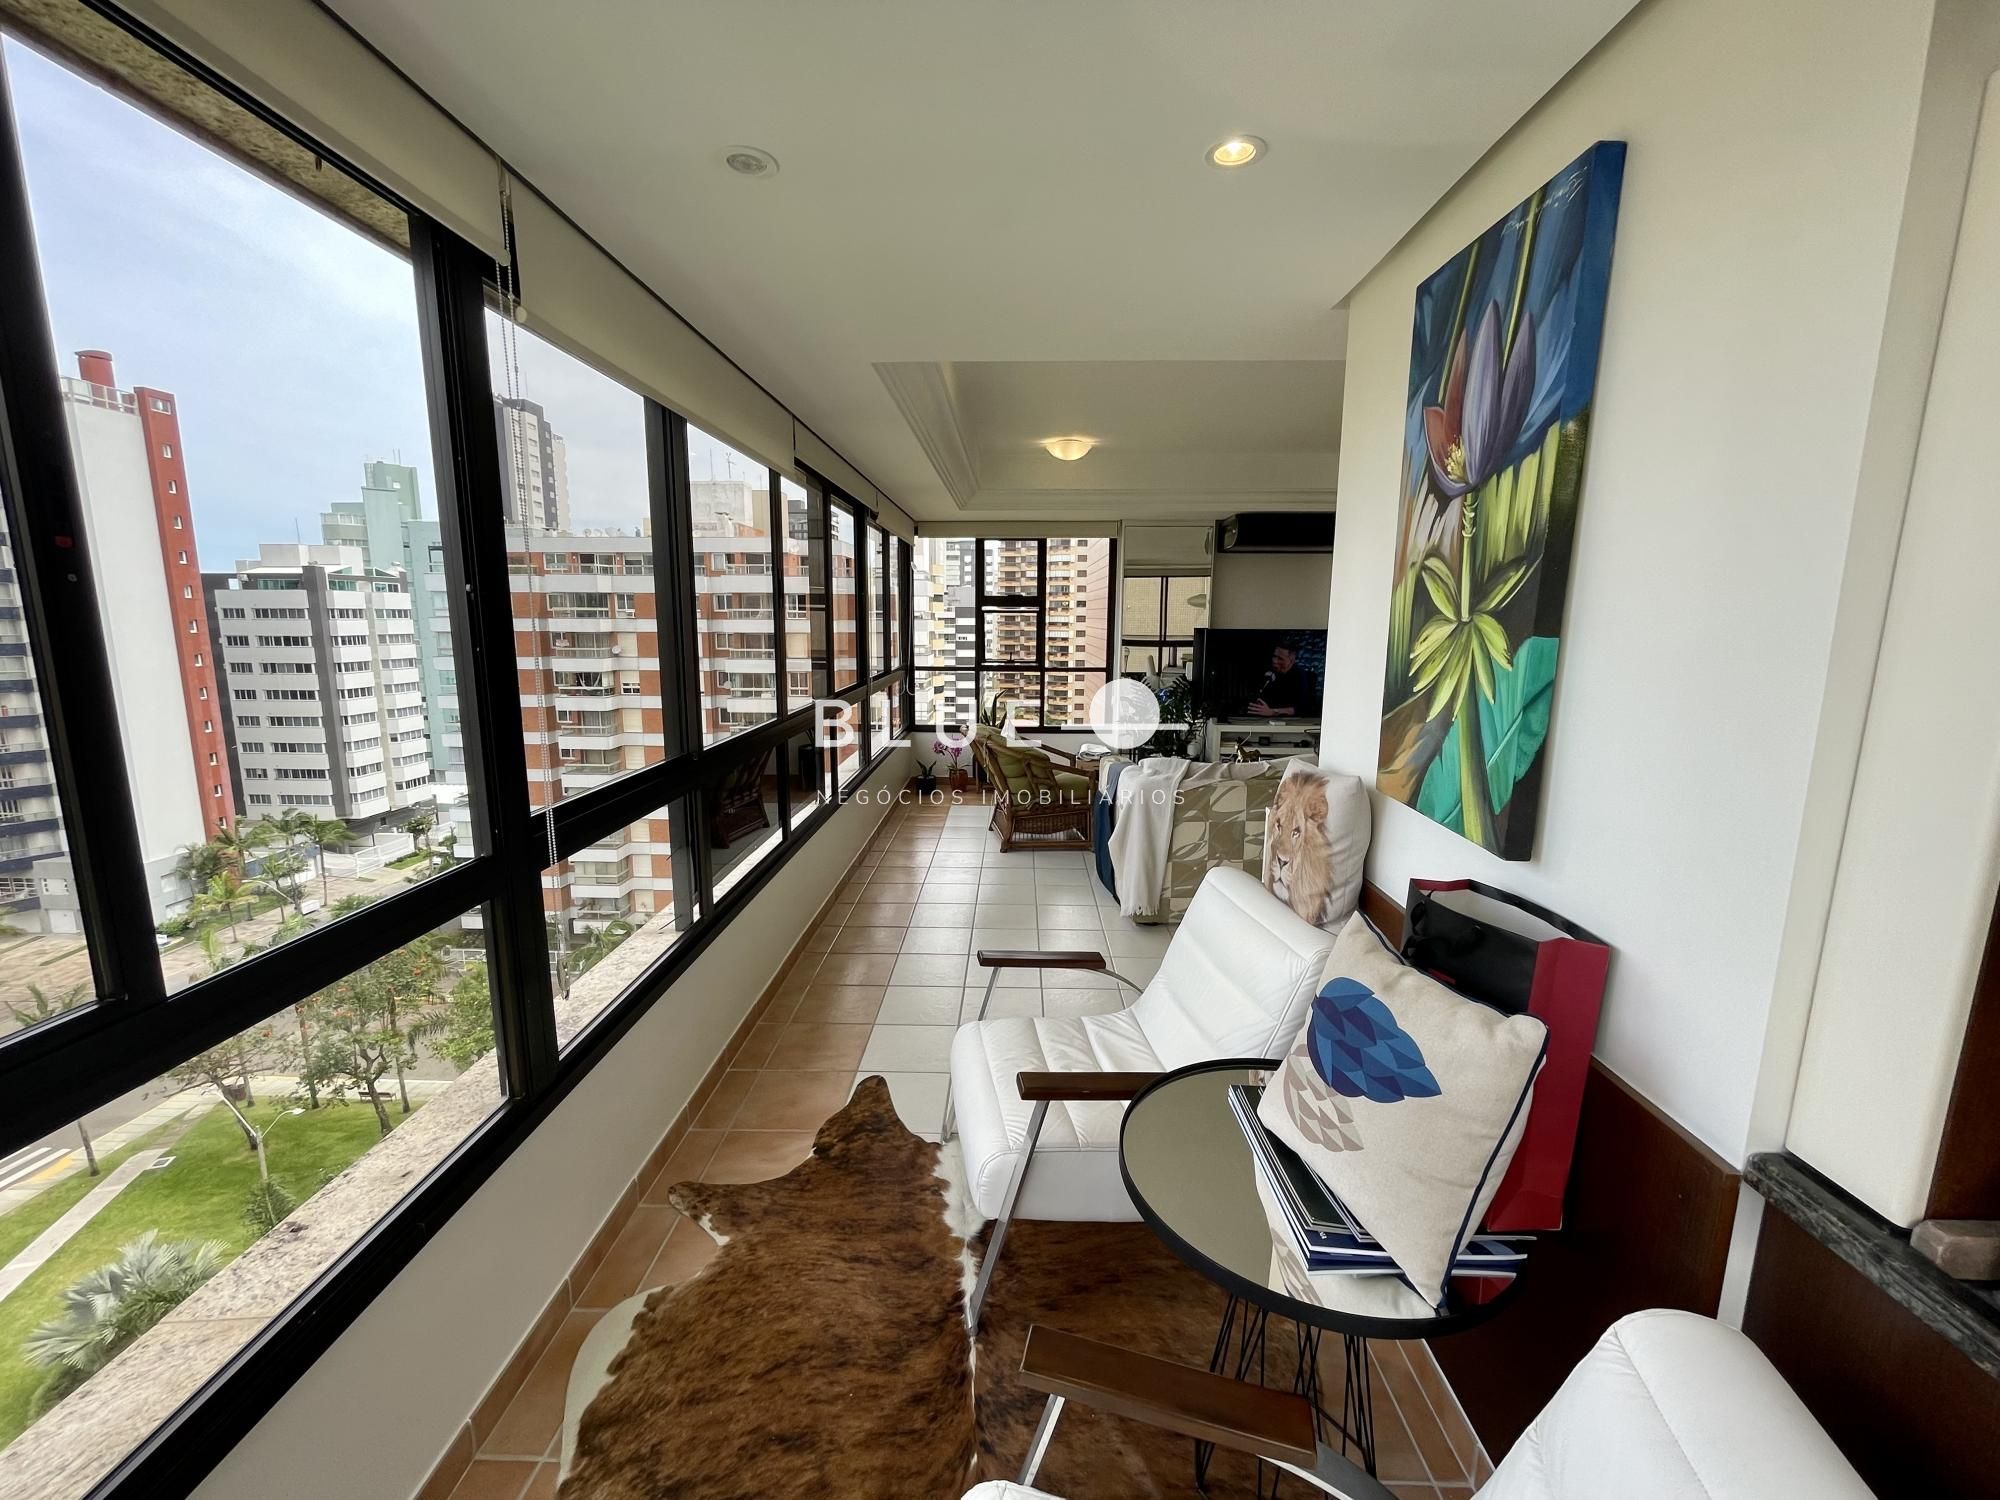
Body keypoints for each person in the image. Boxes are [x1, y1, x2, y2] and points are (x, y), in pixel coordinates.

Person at [1247, 644, 1303, 718]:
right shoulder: (1270, 672)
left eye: (1280, 658)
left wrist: (1272, 712)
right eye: (1274, 656)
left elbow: (1301, 708)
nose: (1274, 661)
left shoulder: (1299, 676)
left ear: (1291, 661)